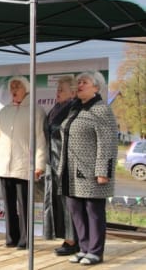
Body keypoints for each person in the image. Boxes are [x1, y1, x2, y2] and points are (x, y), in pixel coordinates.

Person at [58, 71, 118, 265]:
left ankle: (95, 251)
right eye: (78, 82)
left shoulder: (101, 110)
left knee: (93, 211)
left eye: (84, 82)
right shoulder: (76, 108)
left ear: (96, 87)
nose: (79, 85)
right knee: (76, 210)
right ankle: (84, 248)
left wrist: (103, 171)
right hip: (71, 171)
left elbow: (107, 143)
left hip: (92, 171)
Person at [0, 76, 47, 250]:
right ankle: (11, 237)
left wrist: (39, 165)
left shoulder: (36, 111)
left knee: (24, 204)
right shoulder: (4, 111)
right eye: (11, 86)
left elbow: (40, 139)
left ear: (26, 89)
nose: (14, 89)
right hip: (4, 166)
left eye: (17, 86)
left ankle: (25, 239)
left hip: (23, 166)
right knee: (9, 204)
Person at [43, 76, 79, 255]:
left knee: (67, 202)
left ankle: (73, 240)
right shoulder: (55, 109)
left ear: (73, 92)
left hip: (66, 163)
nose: (57, 93)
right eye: (57, 89)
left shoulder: (74, 108)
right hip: (52, 162)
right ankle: (65, 237)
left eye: (61, 90)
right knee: (55, 201)